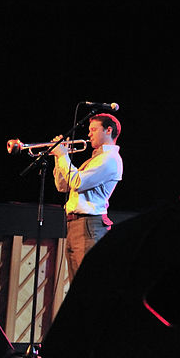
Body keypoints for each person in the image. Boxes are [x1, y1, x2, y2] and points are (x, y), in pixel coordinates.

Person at [51, 113, 123, 281]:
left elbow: (77, 182)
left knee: (87, 282)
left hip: (89, 225)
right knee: (77, 285)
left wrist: (63, 155)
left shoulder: (109, 159)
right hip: (77, 225)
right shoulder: (95, 159)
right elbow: (63, 186)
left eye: (93, 130)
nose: (89, 134)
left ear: (108, 130)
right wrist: (58, 158)